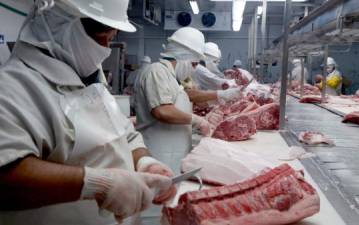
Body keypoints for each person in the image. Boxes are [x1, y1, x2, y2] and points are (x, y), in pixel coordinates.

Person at [0, 1, 176, 225]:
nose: (105, 48)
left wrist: (144, 161)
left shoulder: (90, 78)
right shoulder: (12, 86)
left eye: (111, 38)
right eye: (100, 34)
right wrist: (96, 184)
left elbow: (124, 134)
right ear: (58, 23)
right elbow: (6, 176)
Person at [134, 27, 214, 174]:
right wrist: (197, 120)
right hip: (158, 156)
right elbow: (162, 111)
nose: (194, 70)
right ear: (182, 57)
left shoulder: (172, 78)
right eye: (194, 64)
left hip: (174, 157)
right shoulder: (156, 71)